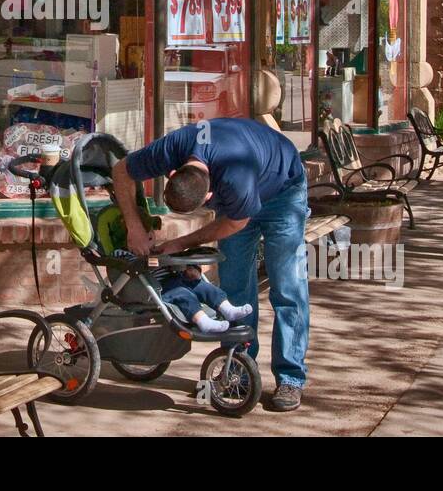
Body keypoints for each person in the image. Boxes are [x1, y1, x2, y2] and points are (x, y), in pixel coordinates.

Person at [111, 117, 310, 411]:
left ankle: (290, 377)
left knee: (287, 287)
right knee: (234, 287)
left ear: (209, 195)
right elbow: (121, 170)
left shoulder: (234, 179)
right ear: (174, 171)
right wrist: (133, 227)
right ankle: (237, 370)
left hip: (283, 188)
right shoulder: (173, 147)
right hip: (243, 189)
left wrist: (180, 243)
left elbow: (235, 223)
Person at [159, 263, 253, 334]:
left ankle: (228, 310)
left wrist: (192, 268)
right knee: (183, 294)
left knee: (203, 286)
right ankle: (203, 321)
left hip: (177, 277)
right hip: (160, 286)